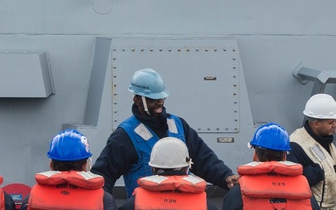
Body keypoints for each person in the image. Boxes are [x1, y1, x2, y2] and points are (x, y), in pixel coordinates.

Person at [92, 68, 237, 197]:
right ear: (137, 99)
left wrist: (225, 176)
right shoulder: (124, 136)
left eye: (162, 97)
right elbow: (103, 175)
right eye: (153, 99)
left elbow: (203, 158)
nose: (160, 102)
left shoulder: (178, 125)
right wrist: (105, 208)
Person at [288, 94, 336, 210]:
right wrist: (315, 173)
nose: (335, 125)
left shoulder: (326, 141)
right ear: (316, 123)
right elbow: (293, 183)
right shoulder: (296, 145)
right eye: (330, 122)